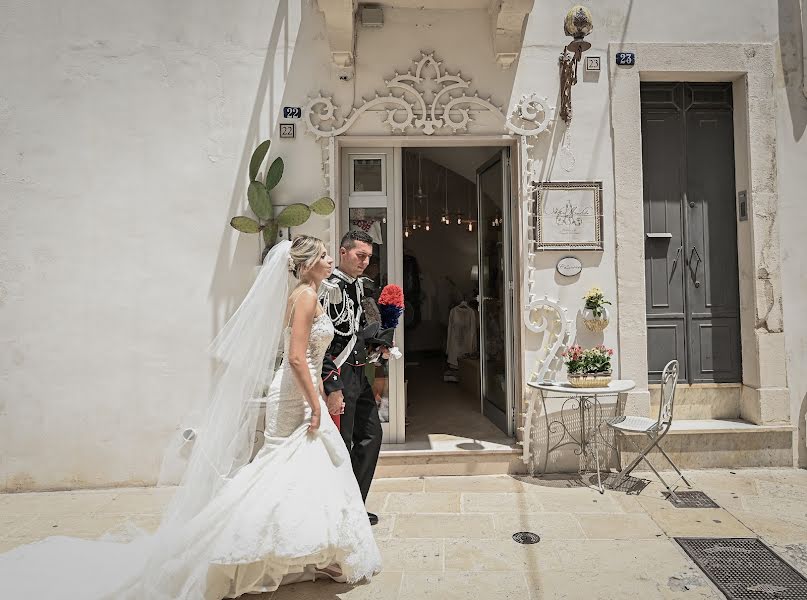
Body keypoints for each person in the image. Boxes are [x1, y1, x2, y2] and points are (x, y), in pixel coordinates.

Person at [0, 235, 382, 599]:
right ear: (310, 263)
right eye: (325, 256)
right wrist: (316, 403)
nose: (331, 260)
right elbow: (297, 357)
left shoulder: (312, 294)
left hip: (305, 386)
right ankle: (239, 542)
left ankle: (317, 548)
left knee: (305, 464)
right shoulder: (302, 297)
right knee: (280, 464)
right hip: (296, 392)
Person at [320, 230, 384, 525]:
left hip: (359, 372)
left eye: (369, 257)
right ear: (343, 252)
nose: (365, 262)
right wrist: (332, 385)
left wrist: (378, 345)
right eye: (361, 256)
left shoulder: (361, 287)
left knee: (371, 436)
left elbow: (356, 330)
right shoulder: (328, 289)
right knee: (342, 444)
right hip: (340, 376)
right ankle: (340, 510)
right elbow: (320, 343)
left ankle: (354, 505)